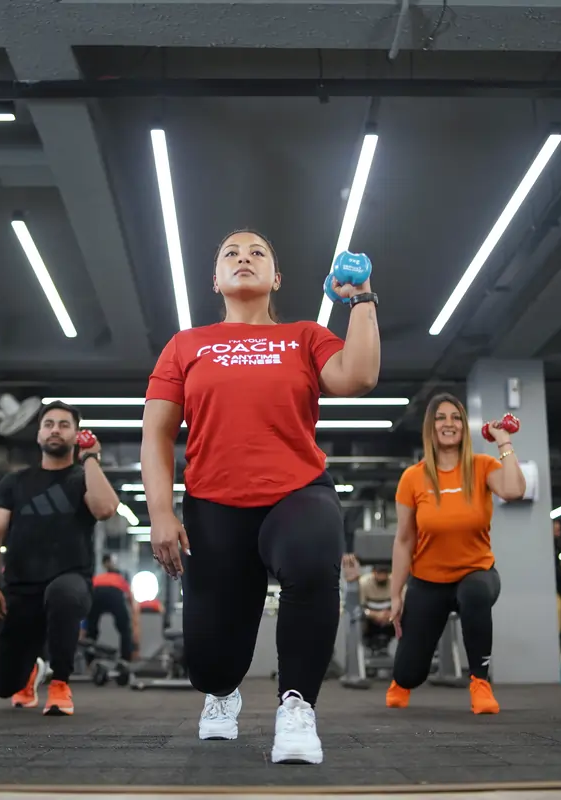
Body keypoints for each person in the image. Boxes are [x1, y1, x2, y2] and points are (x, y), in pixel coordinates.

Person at [141, 229, 380, 765]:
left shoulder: (304, 336)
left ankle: (297, 707)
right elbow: (156, 434)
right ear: (215, 279)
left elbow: (359, 376)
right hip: (214, 504)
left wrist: (361, 298)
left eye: (257, 254)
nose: (243, 258)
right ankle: (222, 694)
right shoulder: (186, 345)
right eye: (231, 252)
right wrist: (160, 512)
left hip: (296, 490)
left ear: (276, 278)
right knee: (210, 661)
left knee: (313, 558)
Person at [384, 393, 525, 714]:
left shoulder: (482, 466)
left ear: (464, 426)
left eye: (456, 417)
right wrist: (395, 594)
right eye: (440, 418)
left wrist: (503, 441)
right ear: (430, 428)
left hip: (477, 572)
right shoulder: (413, 477)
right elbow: (404, 540)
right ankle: (401, 681)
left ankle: (479, 682)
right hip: (428, 580)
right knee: (408, 673)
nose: (449, 424)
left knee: (475, 592)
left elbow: (515, 490)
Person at [0, 401, 119, 715]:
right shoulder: (13, 483)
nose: (56, 429)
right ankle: (30, 671)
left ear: (76, 434)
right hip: (21, 589)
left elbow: (105, 509)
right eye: (49, 424)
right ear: (39, 434)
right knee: (5, 686)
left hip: (72, 583)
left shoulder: (83, 478)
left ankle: (60, 683)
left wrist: (92, 458)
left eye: (64, 425)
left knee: (62, 594)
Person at [87, 554, 141, 663]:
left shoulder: (99, 577)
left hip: (95, 592)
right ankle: (126, 659)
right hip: (114, 593)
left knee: (91, 628)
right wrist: (134, 621)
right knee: (124, 628)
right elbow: (131, 599)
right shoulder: (120, 579)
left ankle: (88, 659)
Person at [357, 566, 395, 653]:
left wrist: (390, 614)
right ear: (374, 572)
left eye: (384, 573)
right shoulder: (364, 583)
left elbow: (404, 604)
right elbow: (359, 608)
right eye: (379, 573)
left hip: (391, 618)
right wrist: (375, 615)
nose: (382, 576)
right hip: (370, 619)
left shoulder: (395, 581)